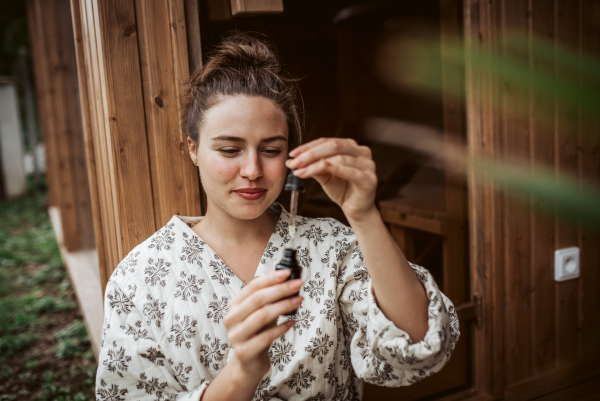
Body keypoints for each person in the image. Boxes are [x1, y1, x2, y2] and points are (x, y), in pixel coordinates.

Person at [95, 32, 460, 401]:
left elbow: (418, 342)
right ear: (193, 148)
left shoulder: (333, 247)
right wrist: (241, 374)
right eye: (230, 149)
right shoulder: (139, 277)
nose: (252, 169)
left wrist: (364, 216)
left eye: (271, 150)